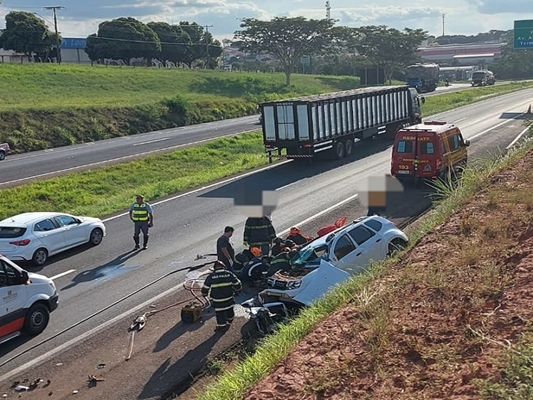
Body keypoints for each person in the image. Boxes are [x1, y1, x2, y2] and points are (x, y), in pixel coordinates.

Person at [201, 261, 242, 332]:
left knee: (220, 314)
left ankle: (222, 326)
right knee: (230, 310)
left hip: (217, 301)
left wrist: (204, 294)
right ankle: (229, 321)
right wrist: (238, 289)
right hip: (229, 298)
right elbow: (238, 284)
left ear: (214, 268)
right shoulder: (229, 274)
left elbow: (205, 288)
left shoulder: (211, 276)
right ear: (224, 267)